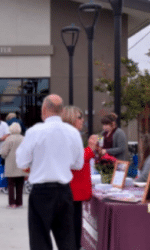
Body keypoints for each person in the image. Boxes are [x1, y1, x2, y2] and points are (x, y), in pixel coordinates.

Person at [16, 94, 84, 250]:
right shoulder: (73, 133)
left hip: (41, 191)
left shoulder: (35, 131)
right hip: (64, 191)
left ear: (44, 109)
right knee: (67, 239)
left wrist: (34, 164)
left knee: (39, 239)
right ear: (61, 111)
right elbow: (78, 164)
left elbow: (21, 161)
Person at [61, 106, 94, 250]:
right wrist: (90, 149)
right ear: (72, 119)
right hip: (73, 187)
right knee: (72, 224)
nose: (82, 121)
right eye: (80, 117)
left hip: (74, 187)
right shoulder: (69, 135)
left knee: (74, 223)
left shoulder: (68, 134)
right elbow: (75, 161)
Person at [0, 122, 27, 208]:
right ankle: (19, 202)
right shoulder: (24, 138)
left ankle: (12, 203)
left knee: (11, 184)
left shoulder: (9, 139)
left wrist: (3, 157)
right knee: (20, 184)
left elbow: (4, 153)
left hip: (11, 164)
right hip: (21, 164)